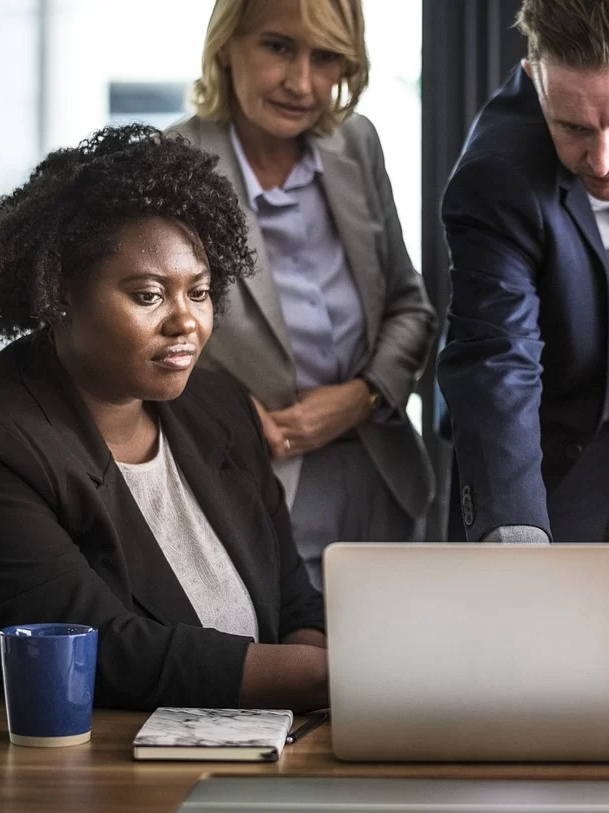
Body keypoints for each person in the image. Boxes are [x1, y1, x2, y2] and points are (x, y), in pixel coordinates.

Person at [0, 124, 328, 712]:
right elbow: (106, 655)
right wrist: (328, 679)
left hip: (262, 748)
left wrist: (320, 702)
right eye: (149, 295)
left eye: (198, 292)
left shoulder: (218, 407)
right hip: (82, 769)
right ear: (60, 294)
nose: (186, 322)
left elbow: (294, 603)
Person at [171, 0, 436, 583]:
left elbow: (408, 305)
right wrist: (232, 412)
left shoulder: (357, 144)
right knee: (298, 669)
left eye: (327, 57)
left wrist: (363, 395)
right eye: (278, 46)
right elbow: (143, 343)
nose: (301, 82)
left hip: (384, 480)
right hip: (250, 484)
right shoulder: (174, 165)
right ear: (226, 44)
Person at [439, 0, 609, 544]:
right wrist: (513, 527)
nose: (603, 160)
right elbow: (495, 357)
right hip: (547, 453)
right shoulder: (496, 177)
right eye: (573, 127)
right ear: (534, 80)